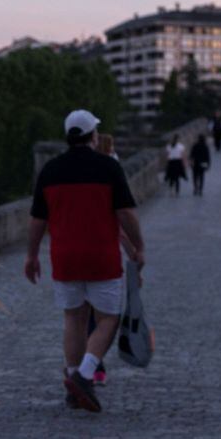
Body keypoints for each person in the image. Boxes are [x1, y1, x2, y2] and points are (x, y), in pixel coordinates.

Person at [26, 109, 145, 412]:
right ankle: (84, 374)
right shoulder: (108, 168)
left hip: (64, 257)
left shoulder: (50, 170)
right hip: (101, 256)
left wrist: (31, 255)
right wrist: (138, 246)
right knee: (108, 319)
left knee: (73, 318)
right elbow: (126, 214)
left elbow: (37, 219)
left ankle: (72, 381)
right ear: (93, 135)